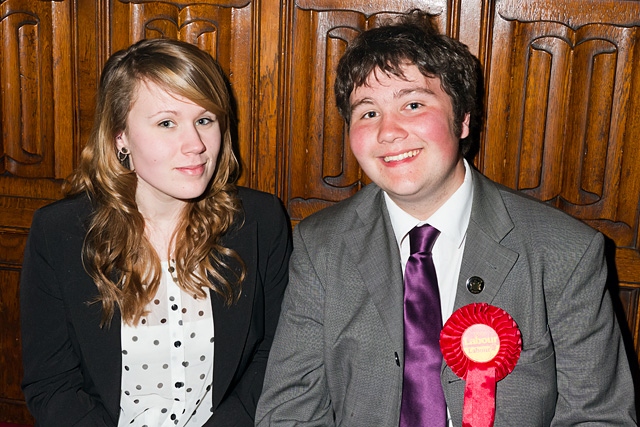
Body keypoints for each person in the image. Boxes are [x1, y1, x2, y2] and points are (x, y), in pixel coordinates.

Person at [255, 9, 637, 426]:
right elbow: (289, 412)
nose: (388, 132)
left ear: (463, 120)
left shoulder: (565, 252)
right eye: (367, 113)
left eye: (413, 103)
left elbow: (600, 417)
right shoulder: (320, 245)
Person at [20, 38, 291, 427]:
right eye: (167, 123)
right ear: (120, 137)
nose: (195, 145)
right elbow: (52, 384)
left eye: (204, 120)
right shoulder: (59, 233)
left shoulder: (260, 220)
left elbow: (275, 355)